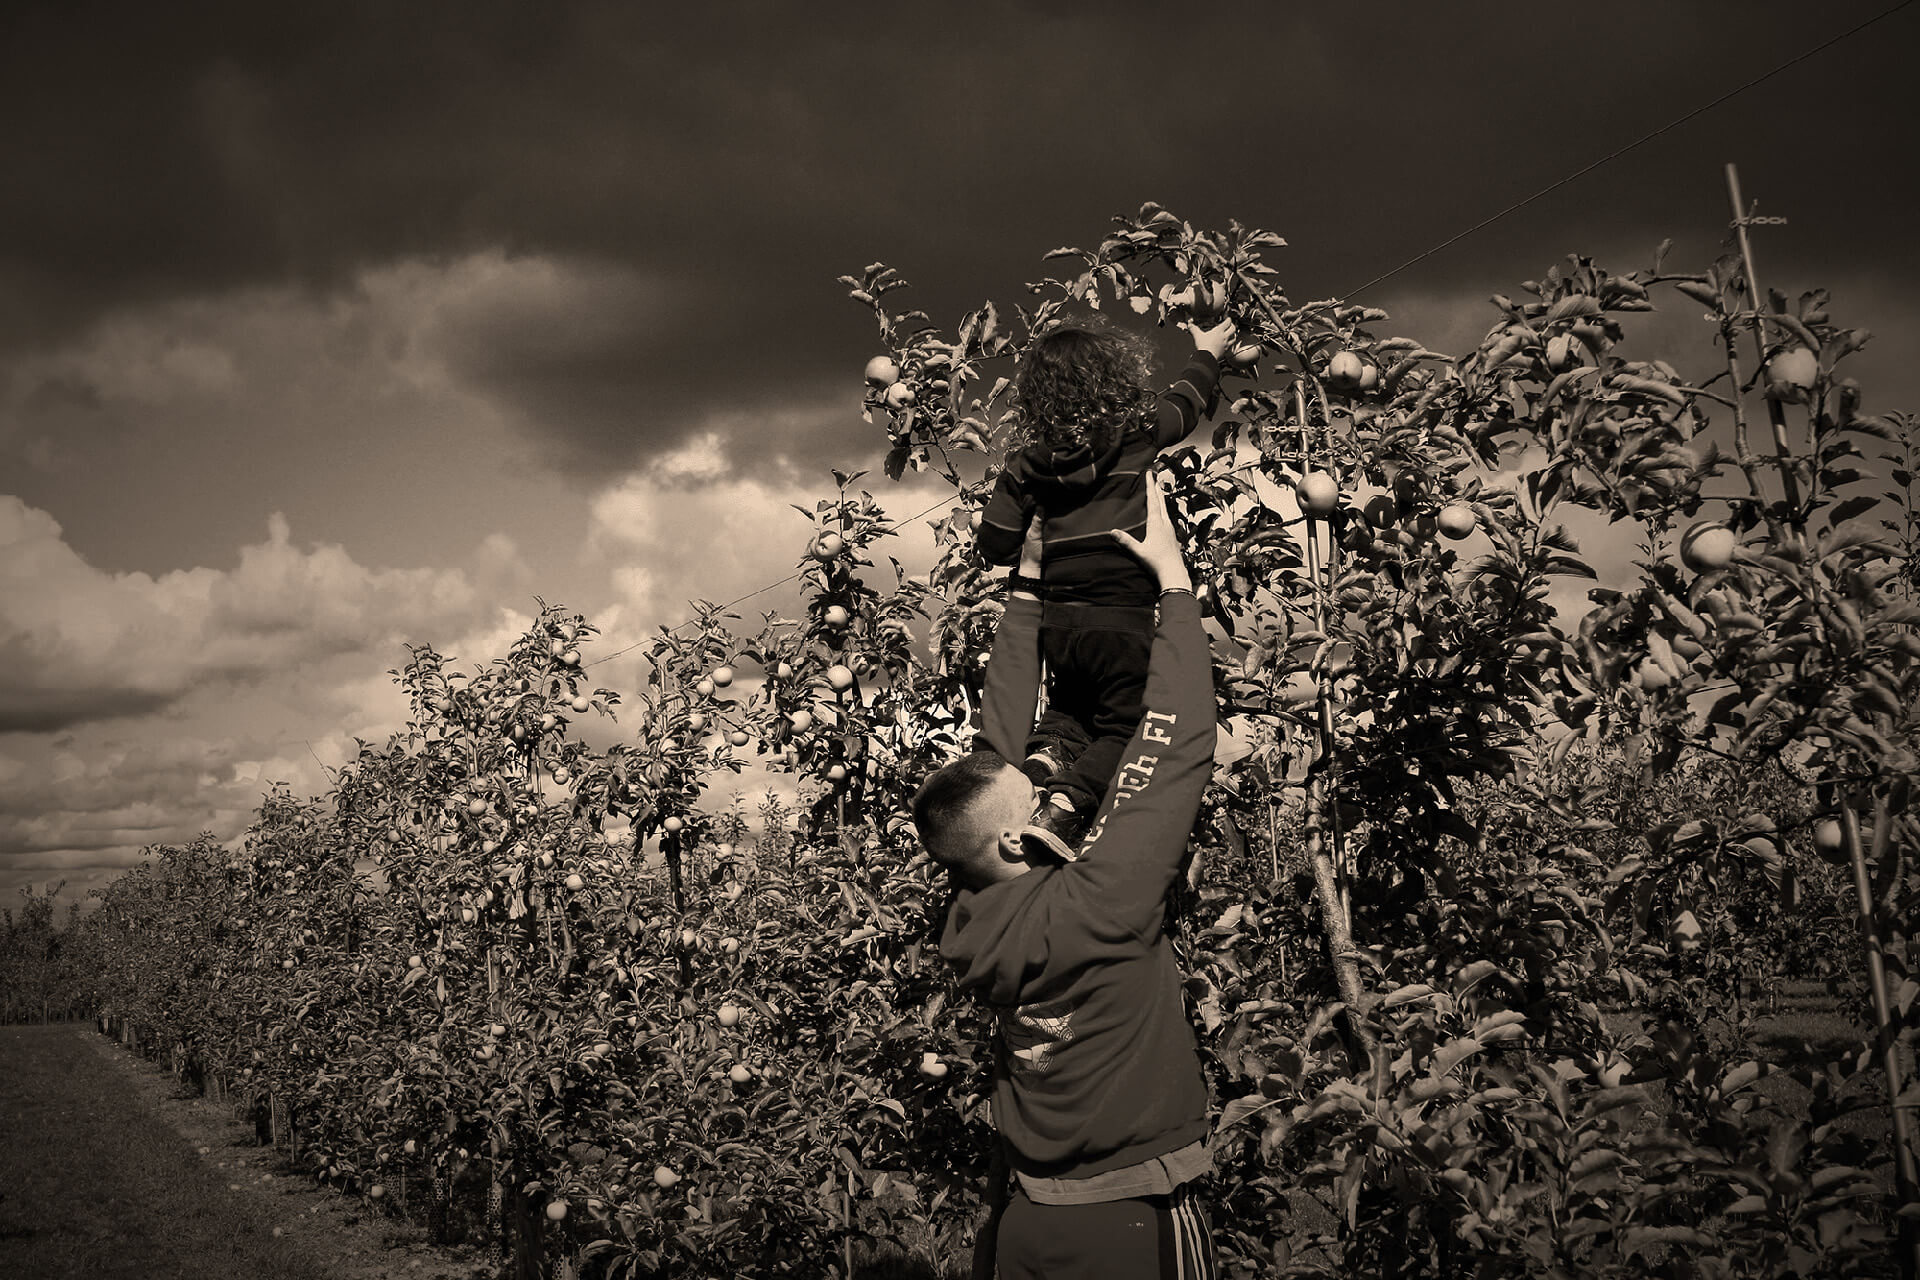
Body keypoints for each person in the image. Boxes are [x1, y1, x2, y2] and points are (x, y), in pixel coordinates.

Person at [911, 479, 1219, 1280]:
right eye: (1031, 791)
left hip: (1026, 1221)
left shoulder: (972, 906)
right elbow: (1175, 744)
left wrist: (1027, 585)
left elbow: (999, 736)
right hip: (1128, 1223)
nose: (1044, 781)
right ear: (1015, 834)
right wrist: (1175, 587)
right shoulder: (1098, 901)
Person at [972, 315, 1235, 856]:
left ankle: (1045, 758)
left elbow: (996, 546)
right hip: (1123, 616)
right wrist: (1208, 351)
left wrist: (1019, 517)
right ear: (1114, 379)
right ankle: (1068, 802)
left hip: (1061, 624)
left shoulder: (1025, 466)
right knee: (1127, 722)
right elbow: (1186, 403)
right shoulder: (1135, 433)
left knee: (1072, 705)